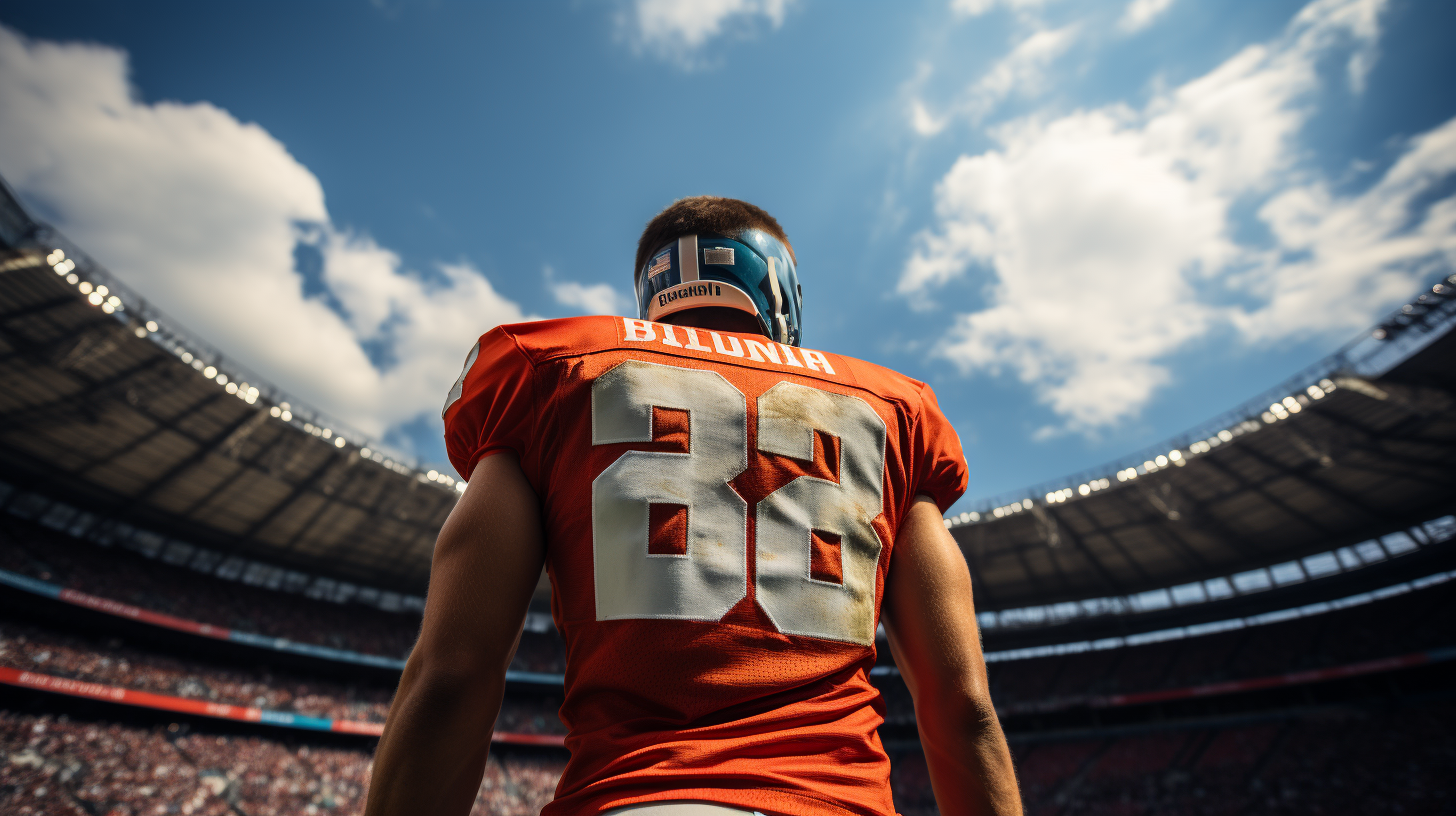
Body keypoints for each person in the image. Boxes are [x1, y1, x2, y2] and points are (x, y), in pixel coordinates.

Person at [364, 197, 1021, 816]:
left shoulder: (551, 368)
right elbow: (962, 704)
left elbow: (452, 674)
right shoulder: (896, 410)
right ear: (783, 288)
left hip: (632, 797)